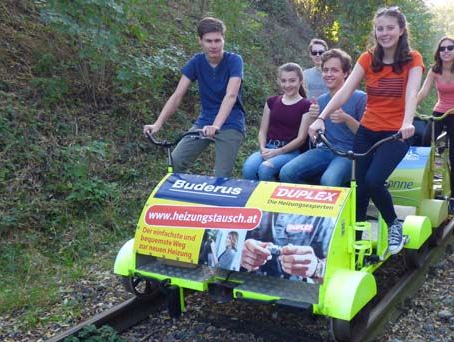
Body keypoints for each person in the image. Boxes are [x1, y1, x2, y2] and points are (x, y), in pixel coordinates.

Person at [309, 7, 423, 256]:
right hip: (367, 131)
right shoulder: (368, 58)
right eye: (380, 28)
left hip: (396, 133)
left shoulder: (412, 59)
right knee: (359, 189)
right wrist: (320, 118)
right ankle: (355, 247)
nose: (384, 33)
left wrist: (407, 122)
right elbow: (345, 91)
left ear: (401, 30)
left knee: (374, 181)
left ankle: (394, 225)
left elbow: (412, 93)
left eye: (390, 28)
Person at [143, 17, 246, 178]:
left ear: (223, 40)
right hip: (205, 120)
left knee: (221, 175)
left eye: (217, 40)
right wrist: (158, 123)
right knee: (175, 163)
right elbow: (177, 95)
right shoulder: (197, 62)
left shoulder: (234, 60)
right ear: (200, 41)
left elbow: (231, 95)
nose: (213, 45)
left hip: (230, 121)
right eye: (208, 41)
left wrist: (216, 126)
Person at [279, 49, 366, 187]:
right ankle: (311, 200)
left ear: (345, 73)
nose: (328, 74)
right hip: (324, 150)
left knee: (329, 180)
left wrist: (347, 119)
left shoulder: (360, 98)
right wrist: (313, 117)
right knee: (287, 172)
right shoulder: (321, 100)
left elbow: (366, 136)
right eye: (325, 70)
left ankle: (345, 197)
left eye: (334, 70)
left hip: (349, 154)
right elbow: (315, 137)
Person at [416, 36, 454, 216]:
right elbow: (423, 92)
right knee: (425, 143)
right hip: (440, 111)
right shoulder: (434, 70)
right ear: (438, 52)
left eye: (450, 48)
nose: (446, 51)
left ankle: (453, 198)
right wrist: (410, 107)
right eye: (442, 48)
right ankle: (422, 186)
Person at [241, 63, 312, 181]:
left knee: (265, 169)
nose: (287, 85)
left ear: (300, 81)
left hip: (290, 151)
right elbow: (262, 131)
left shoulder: (306, 105)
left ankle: (273, 193)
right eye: (284, 81)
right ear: (279, 81)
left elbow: (301, 139)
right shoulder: (271, 102)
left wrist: (278, 152)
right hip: (268, 147)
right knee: (248, 169)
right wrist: (263, 148)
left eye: (292, 81)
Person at [239, 212, 334, 283]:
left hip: (296, 292)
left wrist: (317, 268)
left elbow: (336, 272)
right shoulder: (244, 203)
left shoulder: (322, 215)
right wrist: (237, 252)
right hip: (246, 285)